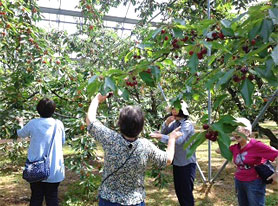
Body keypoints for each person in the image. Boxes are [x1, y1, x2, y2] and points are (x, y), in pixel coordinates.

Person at [86, 93, 182, 206]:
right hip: (135, 201)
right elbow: (168, 159)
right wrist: (171, 139)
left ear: (119, 124)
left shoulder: (110, 139)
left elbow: (90, 120)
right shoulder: (145, 146)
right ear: (141, 127)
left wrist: (97, 99)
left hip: (108, 200)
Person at [16, 98, 65, 206]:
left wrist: (20, 123)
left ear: (38, 110)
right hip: (54, 169)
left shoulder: (33, 123)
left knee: (36, 197)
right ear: (53, 110)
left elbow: (20, 133)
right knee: (52, 197)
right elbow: (62, 141)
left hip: (35, 168)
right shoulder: (59, 124)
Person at [150, 101, 196, 206]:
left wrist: (160, 137)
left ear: (182, 110)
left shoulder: (187, 125)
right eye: (172, 109)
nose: (173, 111)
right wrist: (166, 123)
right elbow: (164, 132)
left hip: (187, 164)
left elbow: (178, 140)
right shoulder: (176, 123)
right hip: (177, 163)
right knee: (179, 191)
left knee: (186, 193)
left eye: (175, 109)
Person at [229, 117, 278, 206]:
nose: (235, 133)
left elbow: (277, 154)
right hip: (239, 181)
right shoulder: (236, 147)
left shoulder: (256, 145)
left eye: (238, 130)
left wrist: (276, 173)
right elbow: (218, 150)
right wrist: (231, 139)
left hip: (254, 182)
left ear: (247, 132)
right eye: (234, 130)